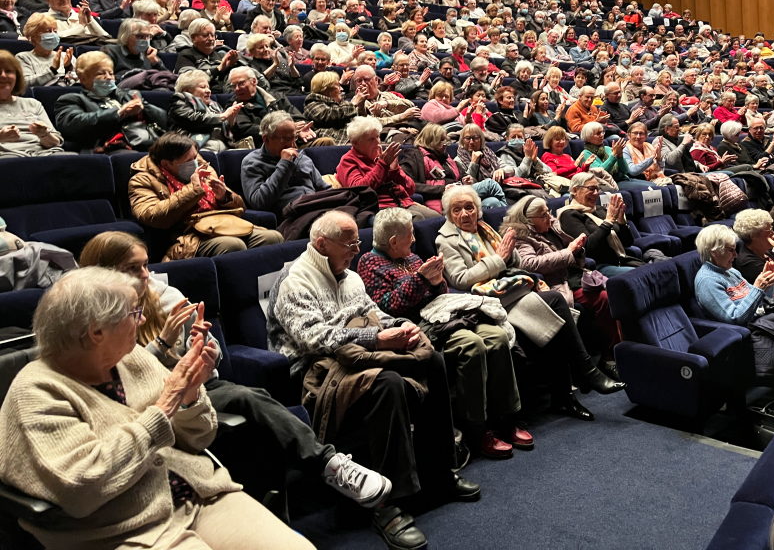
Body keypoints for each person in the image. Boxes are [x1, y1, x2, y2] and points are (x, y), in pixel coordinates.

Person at [77, 232, 390, 522]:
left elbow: (211, 356)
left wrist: (201, 346)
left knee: (253, 400)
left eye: (146, 265)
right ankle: (327, 465)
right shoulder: (92, 318)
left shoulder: (163, 293)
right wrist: (161, 344)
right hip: (147, 403)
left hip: (196, 386)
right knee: (245, 399)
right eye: (133, 269)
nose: (145, 276)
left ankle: (321, 474)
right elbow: (120, 381)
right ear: (103, 273)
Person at [0, 267, 317, 550]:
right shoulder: (38, 391)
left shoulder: (131, 357)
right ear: (96, 331)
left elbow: (199, 438)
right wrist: (165, 405)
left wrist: (191, 394)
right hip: (121, 529)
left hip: (197, 495)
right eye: (133, 314)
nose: (141, 321)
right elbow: (83, 488)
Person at [267, 212, 480, 550]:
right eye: (349, 243)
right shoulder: (295, 279)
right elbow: (311, 338)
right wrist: (376, 338)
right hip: (318, 371)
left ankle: (438, 473)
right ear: (322, 245)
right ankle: (386, 503)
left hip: (357, 357)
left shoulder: (350, 277)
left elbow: (376, 314)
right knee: (388, 382)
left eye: (356, 241)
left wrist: (399, 324)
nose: (357, 248)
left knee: (434, 361)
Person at [436, 186, 624, 422]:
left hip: (513, 290)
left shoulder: (485, 230)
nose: (464, 214)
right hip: (489, 299)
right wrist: (499, 259)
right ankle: (584, 374)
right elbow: (460, 280)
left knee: (555, 318)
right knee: (555, 301)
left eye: (469, 207)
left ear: (478, 210)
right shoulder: (446, 240)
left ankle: (567, 393)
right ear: (448, 214)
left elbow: (515, 263)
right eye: (457, 210)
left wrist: (509, 251)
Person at [358, 208, 530, 460]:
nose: (415, 240)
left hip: (444, 315)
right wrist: (421, 280)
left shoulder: (412, 257)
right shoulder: (369, 263)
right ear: (393, 241)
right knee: (472, 345)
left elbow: (438, 294)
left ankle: (506, 417)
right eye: (410, 235)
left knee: (496, 336)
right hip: (417, 327)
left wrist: (437, 281)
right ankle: (476, 428)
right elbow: (386, 307)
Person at [502, 197, 620, 375]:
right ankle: (609, 357)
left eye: (548, 212)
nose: (549, 217)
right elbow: (530, 264)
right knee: (602, 298)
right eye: (543, 215)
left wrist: (578, 249)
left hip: (571, 275)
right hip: (552, 284)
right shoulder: (520, 236)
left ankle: (620, 349)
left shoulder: (553, 227)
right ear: (528, 220)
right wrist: (569, 252)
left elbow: (574, 256)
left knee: (614, 289)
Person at [129, 132, 283, 259]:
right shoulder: (142, 179)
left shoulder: (203, 168)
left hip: (225, 223)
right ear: (166, 164)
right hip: (190, 234)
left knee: (273, 238)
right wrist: (194, 189)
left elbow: (240, 207)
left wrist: (224, 196)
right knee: (233, 245)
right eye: (188, 161)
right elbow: (152, 216)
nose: (195, 163)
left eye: (195, 157)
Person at [54, 51, 167, 153]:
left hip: (144, 141)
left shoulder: (127, 95)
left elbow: (165, 121)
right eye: (101, 74)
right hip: (106, 148)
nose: (108, 77)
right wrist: (118, 113)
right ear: (83, 79)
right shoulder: (70, 100)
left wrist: (144, 107)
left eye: (111, 73)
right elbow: (71, 126)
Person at [336, 116, 440, 221]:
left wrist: (395, 172)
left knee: (437, 218)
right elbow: (359, 190)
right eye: (371, 139)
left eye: (378, 137)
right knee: (416, 218)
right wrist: (382, 165)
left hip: (403, 203)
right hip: (378, 208)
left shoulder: (383, 156)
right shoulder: (348, 161)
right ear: (355, 142)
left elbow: (411, 189)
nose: (377, 142)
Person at [400, 123, 505, 214]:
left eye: (445, 140)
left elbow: (464, 176)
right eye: (441, 141)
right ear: (429, 141)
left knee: (492, 202)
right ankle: (508, 222)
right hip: (442, 197)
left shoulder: (446, 158)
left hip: (458, 191)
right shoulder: (415, 156)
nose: (445, 144)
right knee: (490, 184)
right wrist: (443, 189)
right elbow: (410, 185)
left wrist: (468, 179)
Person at [694, 223, 774, 325]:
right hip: (750, 331)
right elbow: (735, 318)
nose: (735, 255)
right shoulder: (707, 281)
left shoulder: (731, 271)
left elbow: (761, 303)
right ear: (714, 251)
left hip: (763, 321)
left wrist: (769, 282)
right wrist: (758, 289)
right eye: (731, 250)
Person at [0, 50, 64, 157]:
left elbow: (55, 142)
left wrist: (44, 134)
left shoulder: (33, 104)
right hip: (7, 157)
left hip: (43, 155)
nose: (3, 76)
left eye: (8, 71)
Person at [168, 69, 240, 152]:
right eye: (203, 87)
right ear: (187, 90)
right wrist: (222, 116)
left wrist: (230, 122)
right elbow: (193, 119)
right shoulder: (179, 100)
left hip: (223, 145)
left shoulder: (215, 106)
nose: (208, 91)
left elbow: (231, 134)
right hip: (192, 148)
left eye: (208, 87)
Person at [15, 11, 75, 87]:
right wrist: (52, 70)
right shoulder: (23, 58)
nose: (53, 34)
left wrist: (69, 70)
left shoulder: (67, 56)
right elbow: (25, 83)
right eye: (48, 31)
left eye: (55, 31)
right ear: (34, 36)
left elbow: (80, 80)